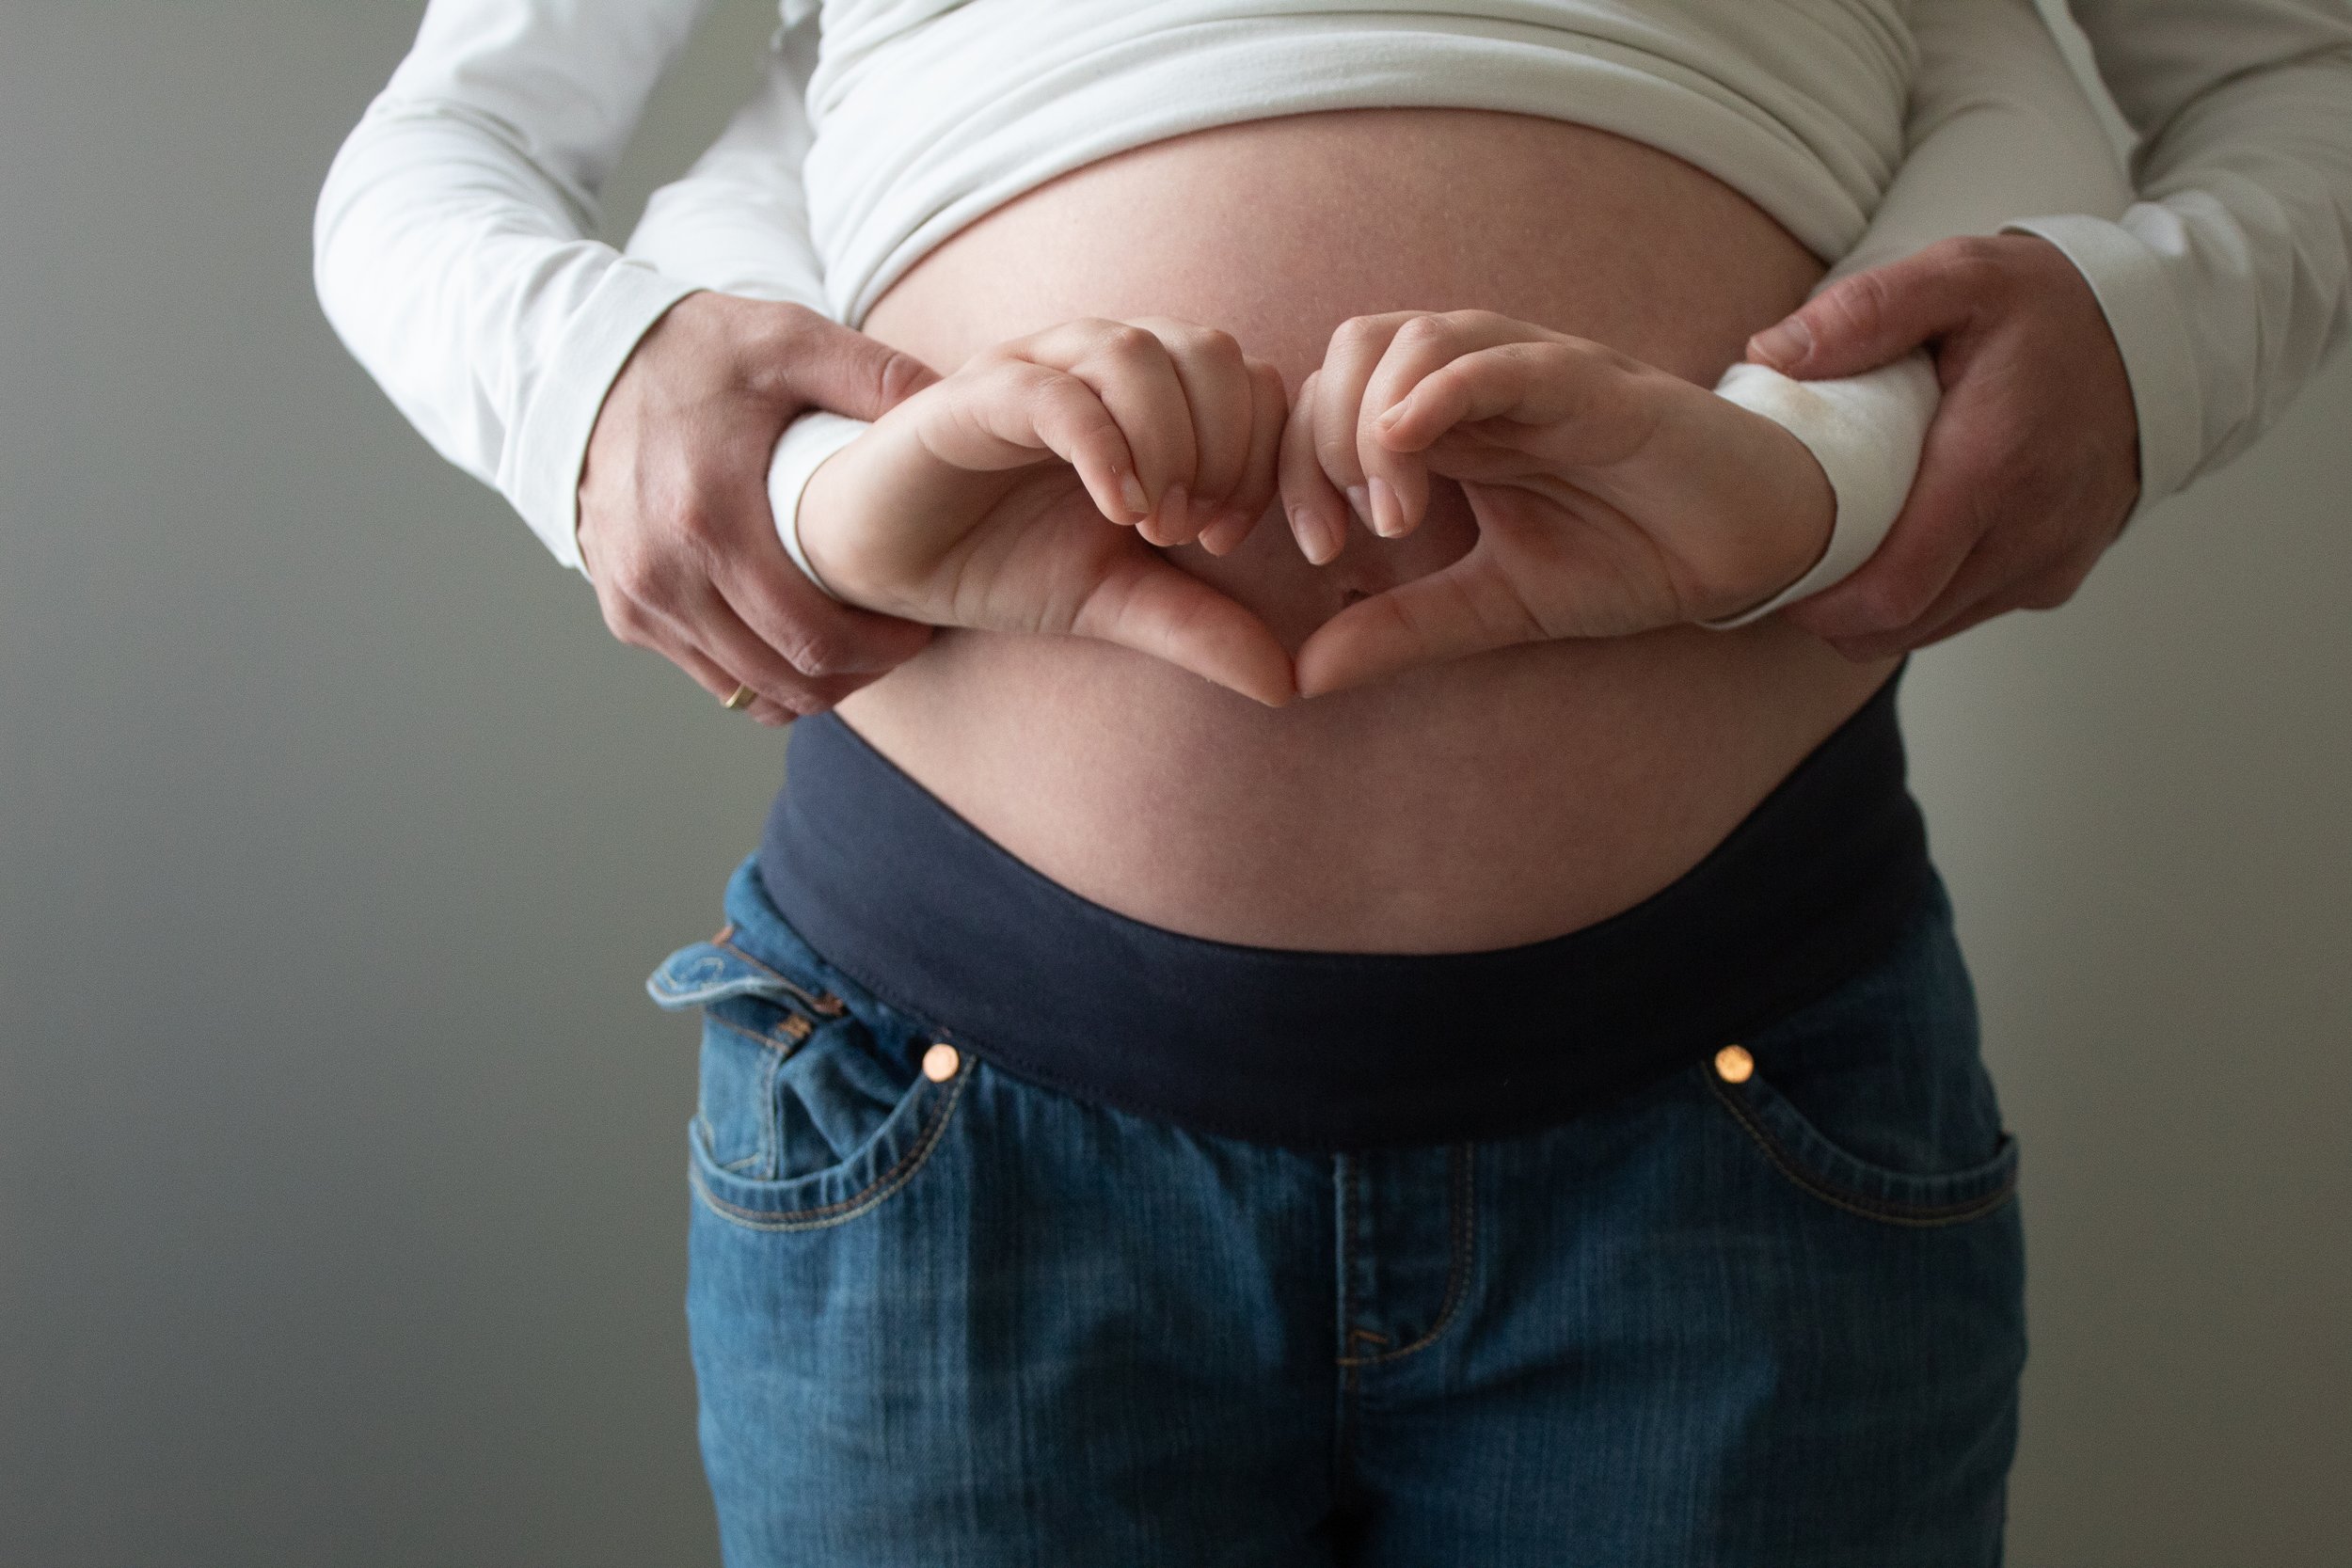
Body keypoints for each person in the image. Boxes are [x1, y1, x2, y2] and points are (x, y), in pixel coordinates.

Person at [313, 1, 2352, 1562]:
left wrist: (2138, 349)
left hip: (1728, 1140)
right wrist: (591, 392)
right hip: (959, 1156)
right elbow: (442, 155)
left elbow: (2290, 80)